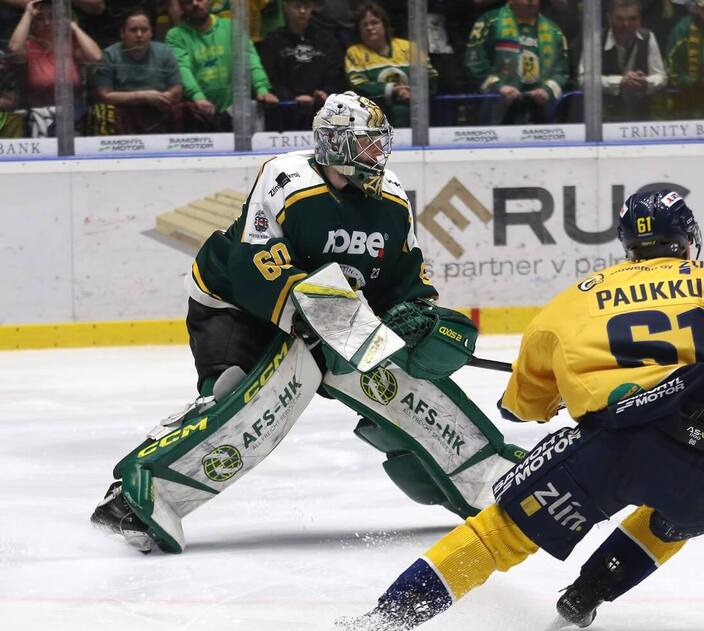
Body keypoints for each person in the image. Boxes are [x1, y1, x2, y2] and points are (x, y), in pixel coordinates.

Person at [339, 188, 704, 631]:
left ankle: (377, 627)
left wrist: (557, 394)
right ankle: (589, 593)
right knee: (680, 509)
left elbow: (521, 407)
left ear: (629, 244)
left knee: (498, 535)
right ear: (688, 239)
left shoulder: (568, 304)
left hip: (607, 454)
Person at [90, 90, 524, 555]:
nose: (378, 153)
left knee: (395, 381)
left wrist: (416, 315)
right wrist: (342, 320)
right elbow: (259, 263)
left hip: (332, 315)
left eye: (380, 143)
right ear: (334, 142)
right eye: (366, 143)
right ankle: (138, 494)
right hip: (237, 305)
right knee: (244, 396)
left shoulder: (393, 197)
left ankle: (485, 475)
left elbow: (403, 276)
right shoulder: (285, 178)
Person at [165, 0, 278, 131]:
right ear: (181, 6)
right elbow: (182, 68)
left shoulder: (232, 27)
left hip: (234, 112)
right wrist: (198, 97)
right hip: (197, 113)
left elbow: (250, 59)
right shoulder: (175, 35)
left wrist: (262, 88)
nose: (195, 4)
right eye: (188, 1)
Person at [464, 0, 569, 125]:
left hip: (539, 106)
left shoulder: (554, 31)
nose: (530, 1)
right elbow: (474, 60)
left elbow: (561, 70)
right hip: (498, 102)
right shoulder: (491, 21)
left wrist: (547, 90)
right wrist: (498, 87)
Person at [7, 0, 102, 136]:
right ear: (33, 24)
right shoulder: (28, 48)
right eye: (40, 19)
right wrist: (28, 13)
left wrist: (72, 25)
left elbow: (96, 57)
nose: (47, 23)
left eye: (53, 17)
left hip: (73, 118)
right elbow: (13, 49)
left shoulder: (71, 46)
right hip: (36, 119)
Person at [90, 8, 183, 134]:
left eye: (144, 30)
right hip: (122, 114)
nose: (139, 35)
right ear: (122, 33)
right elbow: (105, 96)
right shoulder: (109, 55)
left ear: (151, 33)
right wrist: (143, 96)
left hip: (158, 110)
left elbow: (177, 89)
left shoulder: (164, 52)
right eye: (133, 30)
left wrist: (165, 97)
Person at [344, 2, 437, 129]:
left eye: (374, 22)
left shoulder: (409, 47)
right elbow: (358, 84)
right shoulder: (354, 52)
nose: (369, 28)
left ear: (385, 25)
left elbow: (430, 76)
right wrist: (393, 90)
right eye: (364, 25)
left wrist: (413, 93)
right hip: (375, 116)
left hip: (414, 111)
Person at [259, 0, 344, 131]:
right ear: (286, 7)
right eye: (297, 6)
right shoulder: (273, 40)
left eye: (307, 6)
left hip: (322, 113)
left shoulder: (327, 40)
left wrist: (325, 92)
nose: (302, 11)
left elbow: (335, 72)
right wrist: (290, 97)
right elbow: (270, 76)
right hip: (283, 112)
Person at [578, 0, 666, 121]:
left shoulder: (648, 37)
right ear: (609, 18)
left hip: (641, 115)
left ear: (640, 19)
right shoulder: (595, 41)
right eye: (619, 19)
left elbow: (661, 76)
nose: (626, 24)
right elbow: (583, 80)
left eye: (632, 18)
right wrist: (619, 82)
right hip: (603, 118)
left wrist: (645, 81)